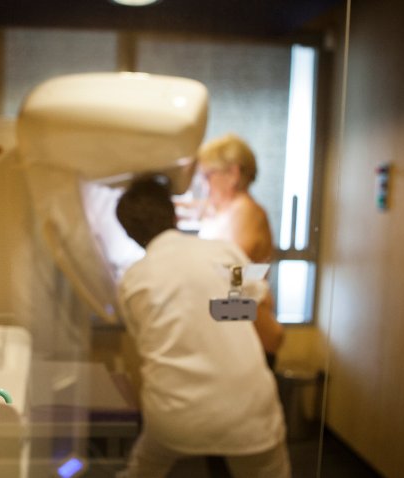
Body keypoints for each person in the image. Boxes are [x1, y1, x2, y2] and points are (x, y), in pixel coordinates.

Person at [114, 175, 289, 478]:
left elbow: (152, 339)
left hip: (174, 417)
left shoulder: (133, 280)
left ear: (130, 235)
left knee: (143, 468)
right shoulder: (223, 252)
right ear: (173, 214)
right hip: (247, 415)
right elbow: (265, 328)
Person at [196, 133, 274, 264]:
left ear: (233, 174)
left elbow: (235, 270)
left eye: (207, 176)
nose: (205, 186)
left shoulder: (245, 210)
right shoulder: (227, 210)